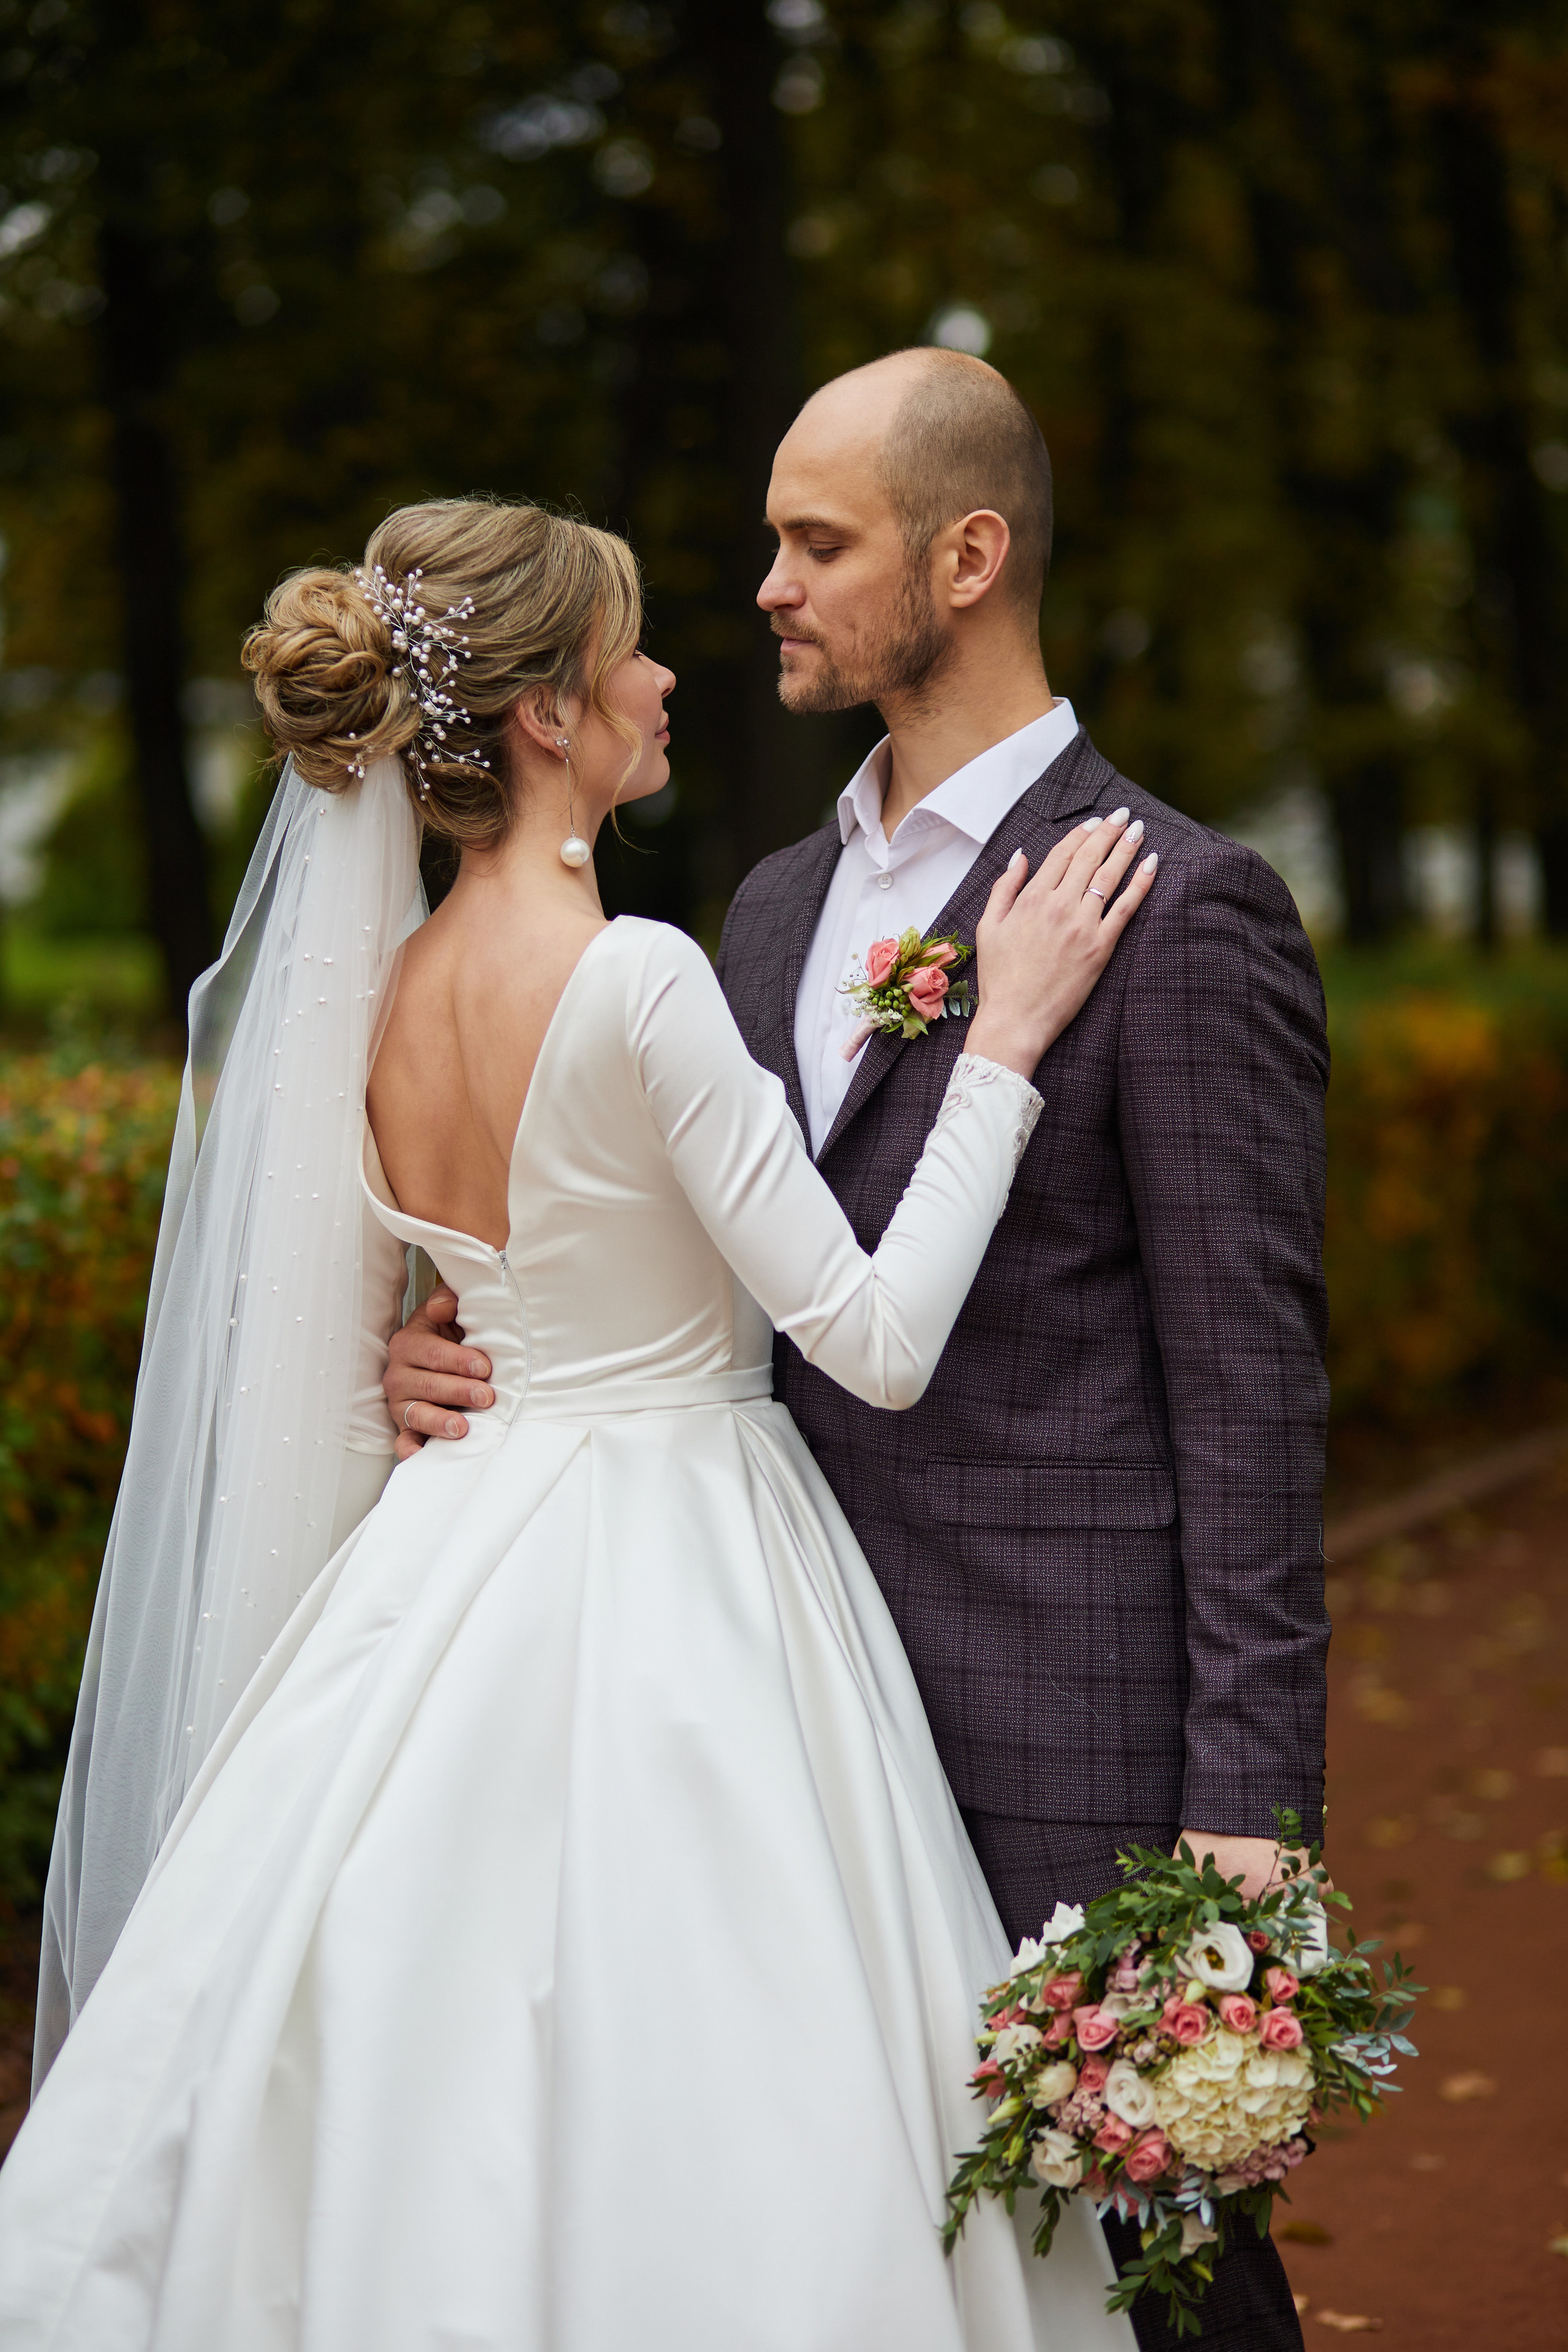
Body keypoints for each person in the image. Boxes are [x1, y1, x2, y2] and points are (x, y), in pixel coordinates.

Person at [0, 494, 1158, 2348]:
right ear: (549, 713)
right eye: (630, 646)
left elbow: (409, 1300)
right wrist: (1003, 1050)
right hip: (685, 1546)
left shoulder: (370, 1003)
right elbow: (868, 1338)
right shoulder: (635, 976)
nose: (670, 671)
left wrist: (403, 1361)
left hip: (448, 1555)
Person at [388, 353, 1332, 2351]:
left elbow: (1255, 1403)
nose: (768, 588)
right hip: (756, 1733)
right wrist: (456, 1350)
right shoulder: (760, 911)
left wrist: (1248, 1809)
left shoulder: (1183, 910)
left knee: (1153, 2290)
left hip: (1064, 1745)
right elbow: (688, 1271)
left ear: (967, 558)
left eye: (818, 542)